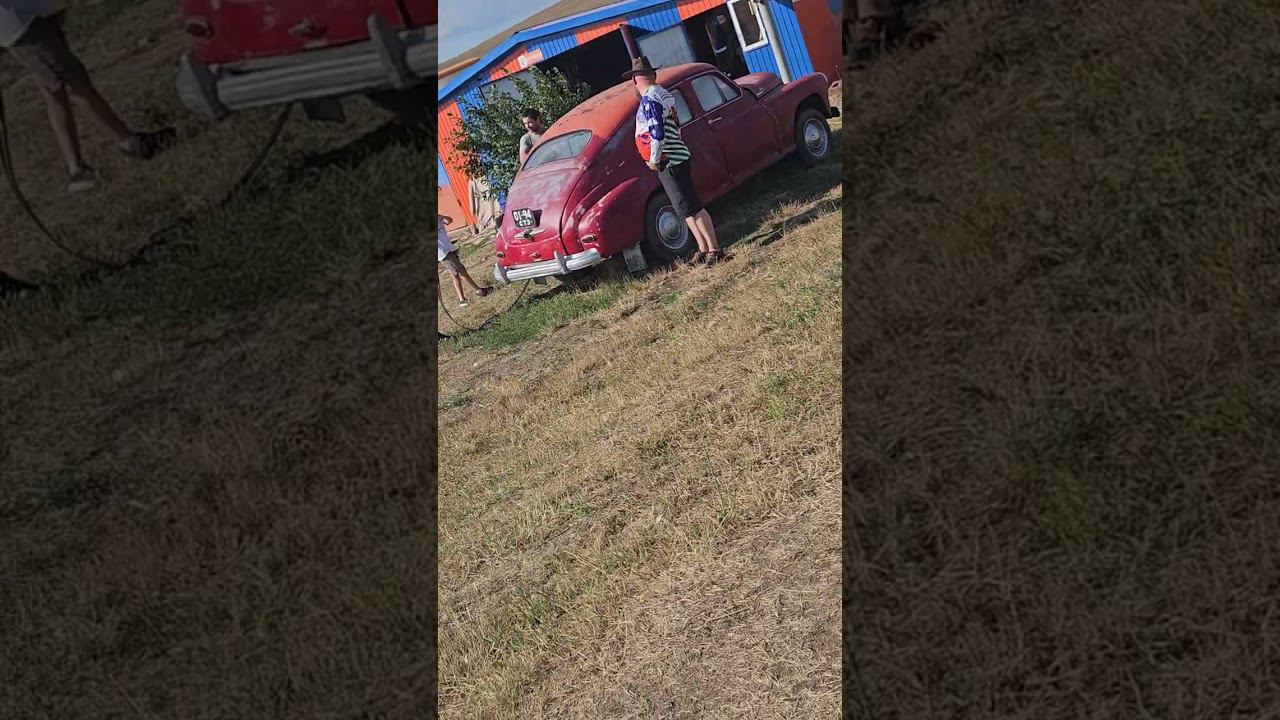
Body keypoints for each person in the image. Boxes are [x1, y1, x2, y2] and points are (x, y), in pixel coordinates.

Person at [0, 1, 177, 194]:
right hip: (20, 23)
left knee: (55, 91)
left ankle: (77, 169)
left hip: (36, 12)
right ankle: (130, 144)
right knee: (74, 84)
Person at [626, 55, 723, 266]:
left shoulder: (650, 98)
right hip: (675, 156)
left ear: (635, 80)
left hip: (669, 160)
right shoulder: (663, 94)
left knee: (693, 206)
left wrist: (654, 159)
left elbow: (657, 132)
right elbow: (675, 126)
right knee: (684, 209)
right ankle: (703, 248)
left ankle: (714, 249)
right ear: (653, 75)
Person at [438, 214, 491, 307]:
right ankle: (479, 291)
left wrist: (440, 216)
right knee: (461, 272)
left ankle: (462, 300)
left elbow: (449, 221)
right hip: (443, 253)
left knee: (455, 275)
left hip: (449, 248)